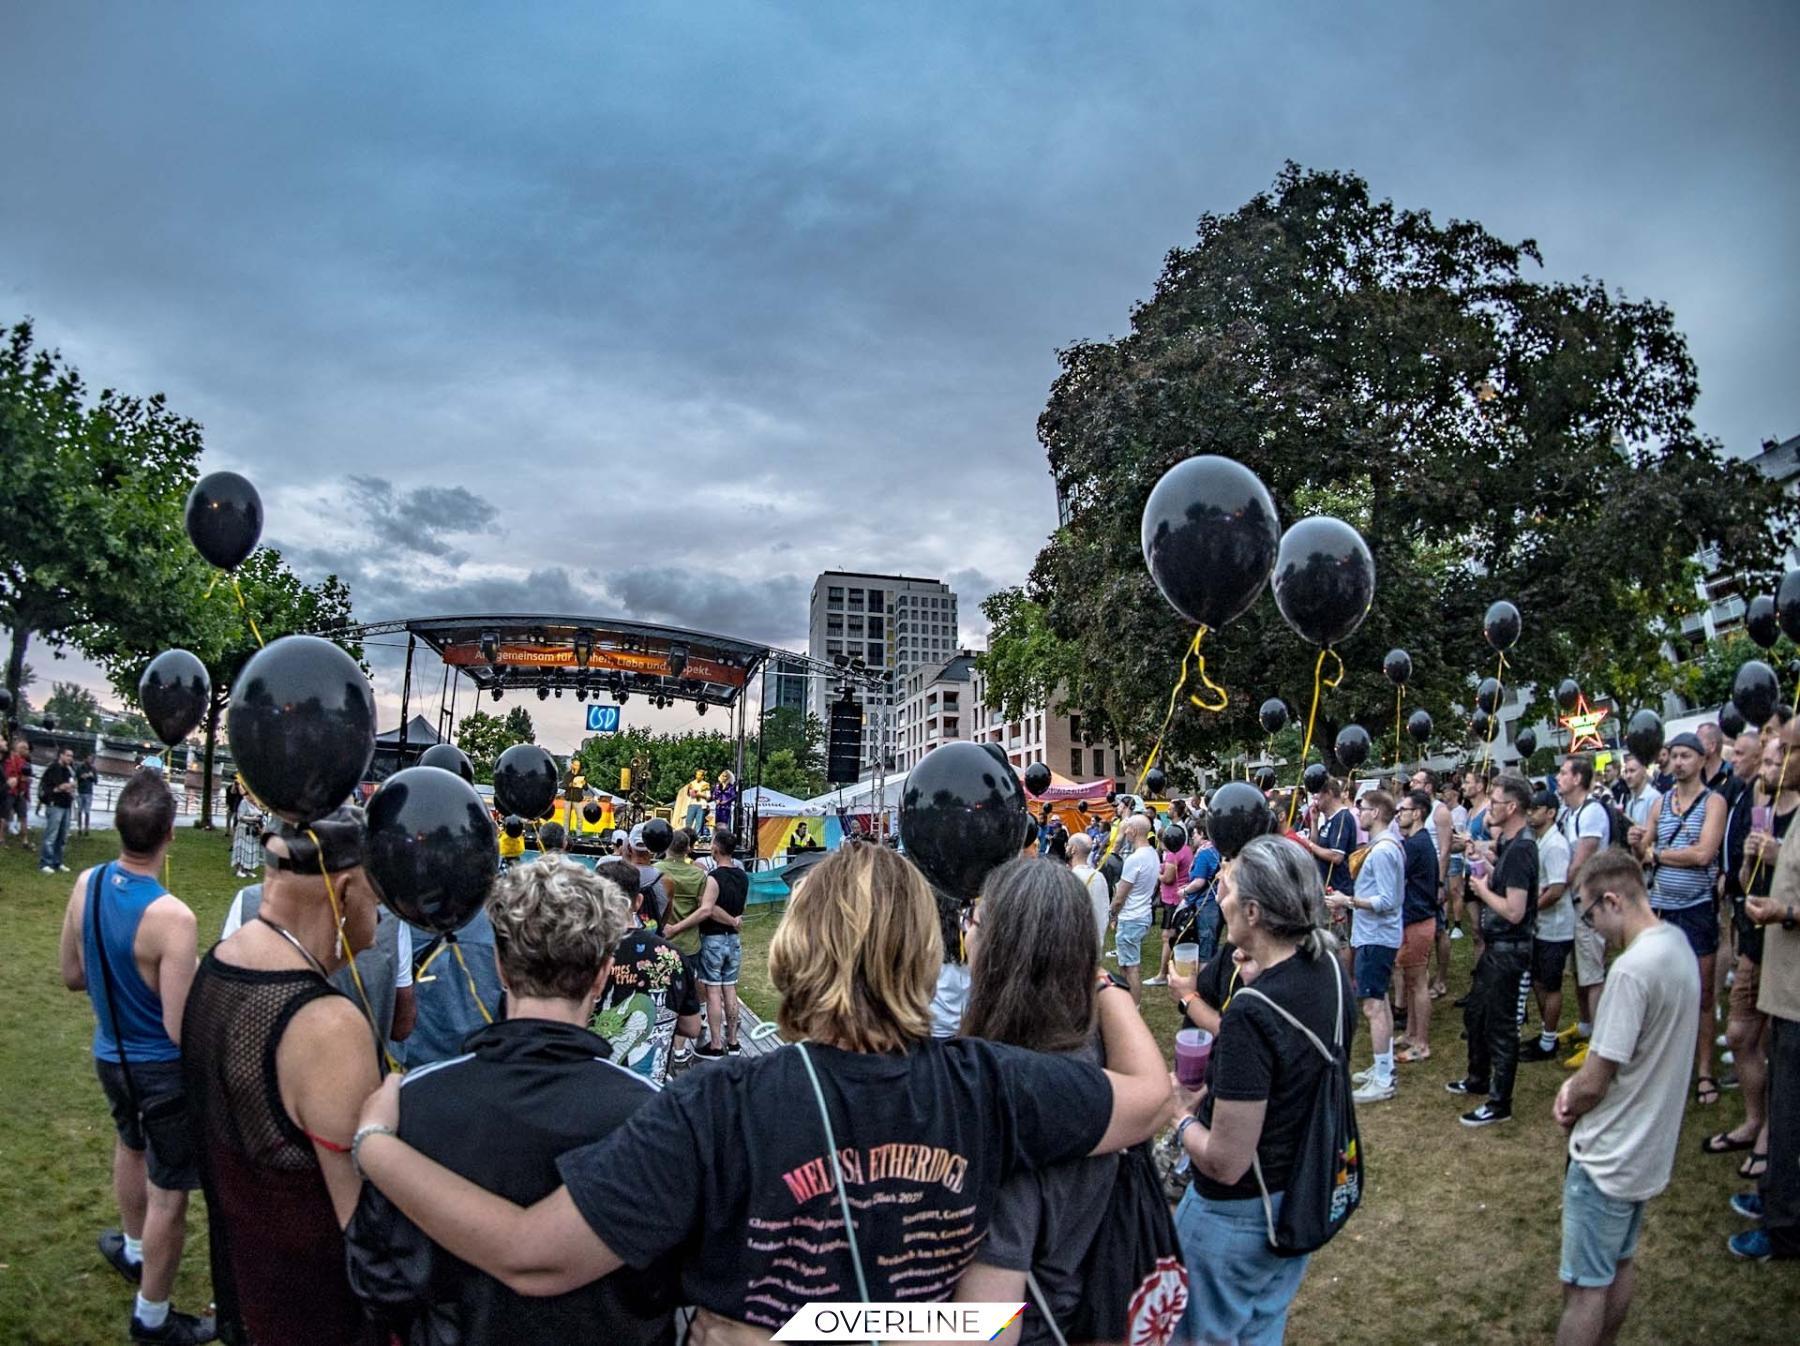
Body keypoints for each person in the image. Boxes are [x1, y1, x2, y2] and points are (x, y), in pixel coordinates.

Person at [352, 843, 1174, 1333]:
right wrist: (1101, 981)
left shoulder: (720, 1104)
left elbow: (534, 1256)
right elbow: (1149, 1096)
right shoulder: (987, 1082)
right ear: (925, 952)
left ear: (797, 944)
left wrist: (378, 1147)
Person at [344, 856, 677, 1346]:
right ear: (603, 974)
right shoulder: (659, 1116)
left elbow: (377, 1273)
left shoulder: (409, 1103)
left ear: (499, 965)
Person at [180, 806, 385, 1346]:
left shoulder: (220, 962)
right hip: (316, 1311)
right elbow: (369, 1232)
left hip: (249, 1289)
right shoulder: (328, 1026)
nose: (380, 920)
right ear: (344, 892)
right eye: (376, 898)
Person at [1167, 835, 1354, 1346]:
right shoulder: (1330, 969)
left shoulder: (1251, 1014)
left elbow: (1225, 1160)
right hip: (1301, 1193)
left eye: (1229, 890)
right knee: (1260, 1328)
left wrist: (1180, 1117)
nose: (1221, 898)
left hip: (1238, 1215)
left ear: (1253, 912)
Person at [956, 858, 1144, 1346]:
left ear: (1000, 949)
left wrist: (834, 1325)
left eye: (973, 919)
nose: (965, 931)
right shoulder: (1104, 1056)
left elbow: (988, 1326)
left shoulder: (1017, 1108)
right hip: (1083, 1308)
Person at [57, 771, 212, 1344]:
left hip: (111, 1055)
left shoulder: (88, 884)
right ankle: (153, 1317)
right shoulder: (174, 919)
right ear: (170, 833)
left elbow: (72, 974)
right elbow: (179, 1027)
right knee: (169, 1191)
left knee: (129, 1143)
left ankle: (133, 1248)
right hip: (160, 1072)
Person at [1552, 850, 1701, 1342]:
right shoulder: (1677, 945)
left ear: (1612, 901)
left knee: (1583, 1288)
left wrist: (1568, 1096)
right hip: (1646, 1150)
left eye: (1589, 913)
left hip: (1608, 1154)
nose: (1592, 927)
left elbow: (1594, 1079)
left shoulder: (1631, 970)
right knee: (1618, 1262)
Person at [1707, 732, 1797, 1173]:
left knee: (1781, 1047)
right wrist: (1747, 859)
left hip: (1788, 951)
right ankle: (1754, 1119)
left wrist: (1778, 856)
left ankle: (1770, 1136)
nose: (1767, 771)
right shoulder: (1761, 809)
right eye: (1766, 764)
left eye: (1774, 762)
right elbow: (1747, 880)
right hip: (1756, 942)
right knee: (1740, 1036)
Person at [1732, 713, 1800, 1259]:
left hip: (1798, 994)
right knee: (1784, 1099)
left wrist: (1787, 912)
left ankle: (1785, 1227)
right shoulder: (1777, 811)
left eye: (1787, 751)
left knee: (1791, 1109)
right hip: (1782, 985)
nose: (1775, 761)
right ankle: (1776, 1195)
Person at [1630, 731, 1726, 1105]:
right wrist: (1638, 843)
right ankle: (1670, 1067)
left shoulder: (1713, 802)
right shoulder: (1661, 803)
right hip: (1662, 907)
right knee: (1665, 992)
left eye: (1687, 755)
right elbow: (1642, 852)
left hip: (1697, 907)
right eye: (1676, 755)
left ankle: (1704, 1071)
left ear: (1702, 760)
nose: (1680, 762)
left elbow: (1704, 853)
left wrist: (1657, 854)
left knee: (1702, 994)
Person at [219, 880, 417, 1059]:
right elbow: (401, 1026)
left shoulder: (250, 902)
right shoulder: (390, 916)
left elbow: (223, 1012)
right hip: (357, 1074)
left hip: (267, 1074)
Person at [1451, 773, 1539, 1127]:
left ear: (1512, 807)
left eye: (1497, 802)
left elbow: (1515, 910)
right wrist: (1483, 864)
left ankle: (1500, 1103)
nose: (1491, 807)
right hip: (1496, 947)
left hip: (1511, 950)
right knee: (1476, 1015)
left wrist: (1482, 891)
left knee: (1502, 1027)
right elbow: (1502, 878)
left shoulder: (1522, 849)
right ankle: (1478, 1078)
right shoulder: (1510, 844)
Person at [590, 857, 703, 1082]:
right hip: (650, 1089)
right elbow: (692, 1027)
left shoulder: (581, 952)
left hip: (592, 1084)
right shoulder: (672, 956)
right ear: (638, 902)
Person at [1329, 789, 1402, 1103]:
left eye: (1364, 808)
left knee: (1373, 1007)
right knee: (1379, 1001)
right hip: (1374, 935)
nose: (1359, 812)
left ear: (1378, 813)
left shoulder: (1384, 850)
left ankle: (1384, 1079)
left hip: (1377, 936)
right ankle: (1383, 1065)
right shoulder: (1382, 846)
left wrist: (1348, 901)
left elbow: (1387, 900)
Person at [663, 828, 747, 1057]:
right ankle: (734, 1042)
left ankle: (716, 1044)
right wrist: (734, 920)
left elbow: (707, 909)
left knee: (713, 992)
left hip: (714, 940)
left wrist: (675, 928)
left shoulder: (713, 877)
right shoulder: (742, 876)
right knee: (730, 988)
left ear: (715, 849)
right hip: (734, 940)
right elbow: (740, 908)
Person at [1557, 754, 1616, 1069]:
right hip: (1574, 902)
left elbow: (1580, 862)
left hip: (1590, 904)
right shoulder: (1570, 812)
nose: (1558, 777)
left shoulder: (1591, 812)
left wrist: (1554, 887)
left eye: (1564, 772)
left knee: (1593, 973)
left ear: (1578, 778)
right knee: (1580, 970)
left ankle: (1599, 1044)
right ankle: (1585, 1025)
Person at [1521, 788, 1575, 1063]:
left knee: (1550, 983)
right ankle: (1546, 1035)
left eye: (1536, 809)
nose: (1530, 814)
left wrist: (1529, 910)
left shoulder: (1555, 845)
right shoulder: (1541, 840)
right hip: (1542, 925)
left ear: (1551, 813)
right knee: (1539, 981)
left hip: (1555, 927)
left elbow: (1556, 890)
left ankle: (1549, 1040)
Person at [1394, 789, 1439, 1062]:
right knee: (1411, 982)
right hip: (1413, 918)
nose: (1399, 814)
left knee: (1418, 982)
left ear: (1418, 813)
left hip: (1418, 920)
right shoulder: (1417, 841)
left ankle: (1422, 1043)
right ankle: (1411, 1033)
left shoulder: (1416, 845)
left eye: (1404, 810)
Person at [1110, 814, 1159, 1002]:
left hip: (1131, 917)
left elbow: (1120, 896)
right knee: (1126, 964)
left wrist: (1112, 913)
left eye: (1128, 828)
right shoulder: (1152, 853)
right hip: (1143, 914)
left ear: (1135, 831)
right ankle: (1129, 1003)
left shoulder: (1135, 859)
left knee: (1130, 967)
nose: (1125, 831)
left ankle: (1133, 1006)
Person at [1149, 823, 1194, 986]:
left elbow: (1168, 878)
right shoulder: (1187, 849)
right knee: (1178, 936)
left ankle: (1162, 974)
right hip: (1182, 897)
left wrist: (1156, 873)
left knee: (1167, 937)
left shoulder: (1172, 854)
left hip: (1173, 899)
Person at [1300, 776, 1355, 895]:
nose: (1315, 800)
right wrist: (1314, 821)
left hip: (1339, 889)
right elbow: (1316, 845)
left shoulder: (1342, 818)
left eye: (1318, 794)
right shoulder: (1330, 819)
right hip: (1325, 886)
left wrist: (1308, 843)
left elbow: (1336, 856)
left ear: (1329, 794)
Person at [38, 743, 77, 872]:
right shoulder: (53, 768)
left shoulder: (69, 770)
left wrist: (70, 787)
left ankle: (57, 861)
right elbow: (56, 787)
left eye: (71, 756)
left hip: (66, 804)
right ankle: (45, 862)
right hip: (55, 804)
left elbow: (71, 785)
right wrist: (64, 787)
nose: (70, 758)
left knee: (62, 836)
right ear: (61, 755)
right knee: (51, 836)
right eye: (68, 755)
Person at [1068, 831, 1110, 947]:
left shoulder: (1072, 877)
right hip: (1096, 939)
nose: (1066, 848)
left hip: (1077, 943)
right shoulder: (1099, 877)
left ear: (1073, 849)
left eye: (1068, 845)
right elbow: (1104, 908)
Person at [5, 735, 34, 846]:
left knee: (23, 815)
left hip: (21, 792)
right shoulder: (10, 759)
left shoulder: (25, 761)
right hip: (10, 791)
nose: (27, 751)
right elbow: (8, 775)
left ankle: (25, 839)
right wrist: (20, 779)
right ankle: (2, 838)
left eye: (27, 749)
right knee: (4, 814)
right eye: (25, 748)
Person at [76, 750, 99, 836]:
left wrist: (91, 776)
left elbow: (96, 781)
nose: (90, 760)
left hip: (89, 792)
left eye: (91, 759)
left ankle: (86, 829)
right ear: (85, 759)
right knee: (79, 811)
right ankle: (79, 828)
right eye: (89, 758)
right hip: (80, 791)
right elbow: (76, 778)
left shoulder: (93, 769)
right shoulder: (80, 767)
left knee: (87, 811)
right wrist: (82, 777)